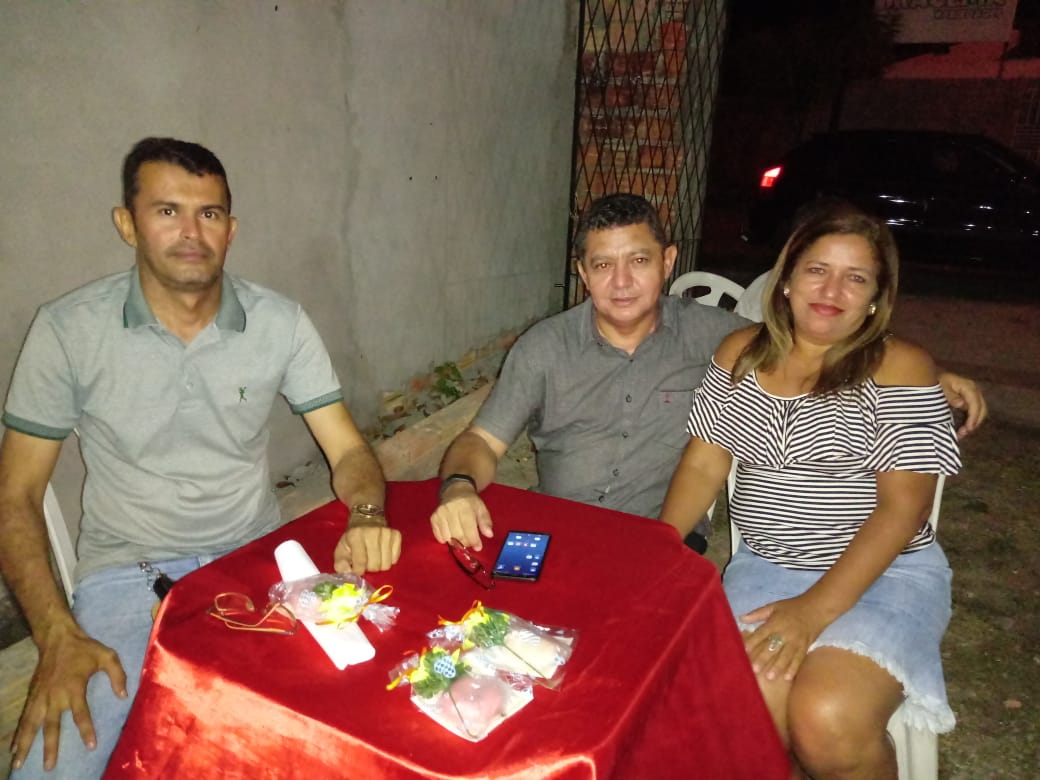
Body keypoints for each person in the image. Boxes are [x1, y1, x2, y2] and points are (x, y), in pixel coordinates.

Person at [0, 137, 401, 778]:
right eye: (167, 211)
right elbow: (15, 495)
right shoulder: (68, 330)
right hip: (125, 576)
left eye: (209, 213)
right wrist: (55, 635)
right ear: (127, 224)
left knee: (349, 728)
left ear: (230, 230)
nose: (191, 232)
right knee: (58, 763)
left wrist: (368, 512)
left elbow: (349, 447)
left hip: (255, 564)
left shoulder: (279, 322)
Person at [429, 193, 985, 556]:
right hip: (558, 529)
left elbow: (813, 340)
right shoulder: (544, 346)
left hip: (664, 537)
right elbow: (480, 442)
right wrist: (458, 486)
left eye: (639, 261)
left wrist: (928, 376)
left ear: (668, 261)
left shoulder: (719, 338)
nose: (621, 282)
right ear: (582, 273)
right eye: (603, 265)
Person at [660, 202, 959, 779]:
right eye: (817, 269)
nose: (831, 290)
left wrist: (813, 612)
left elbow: (903, 509)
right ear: (786, 279)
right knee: (754, 709)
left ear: (876, 296)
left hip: (883, 575)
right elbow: (703, 465)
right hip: (768, 568)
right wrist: (660, 549)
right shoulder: (739, 354)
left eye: (856, 277)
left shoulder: (900, 367)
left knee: (828, 719)